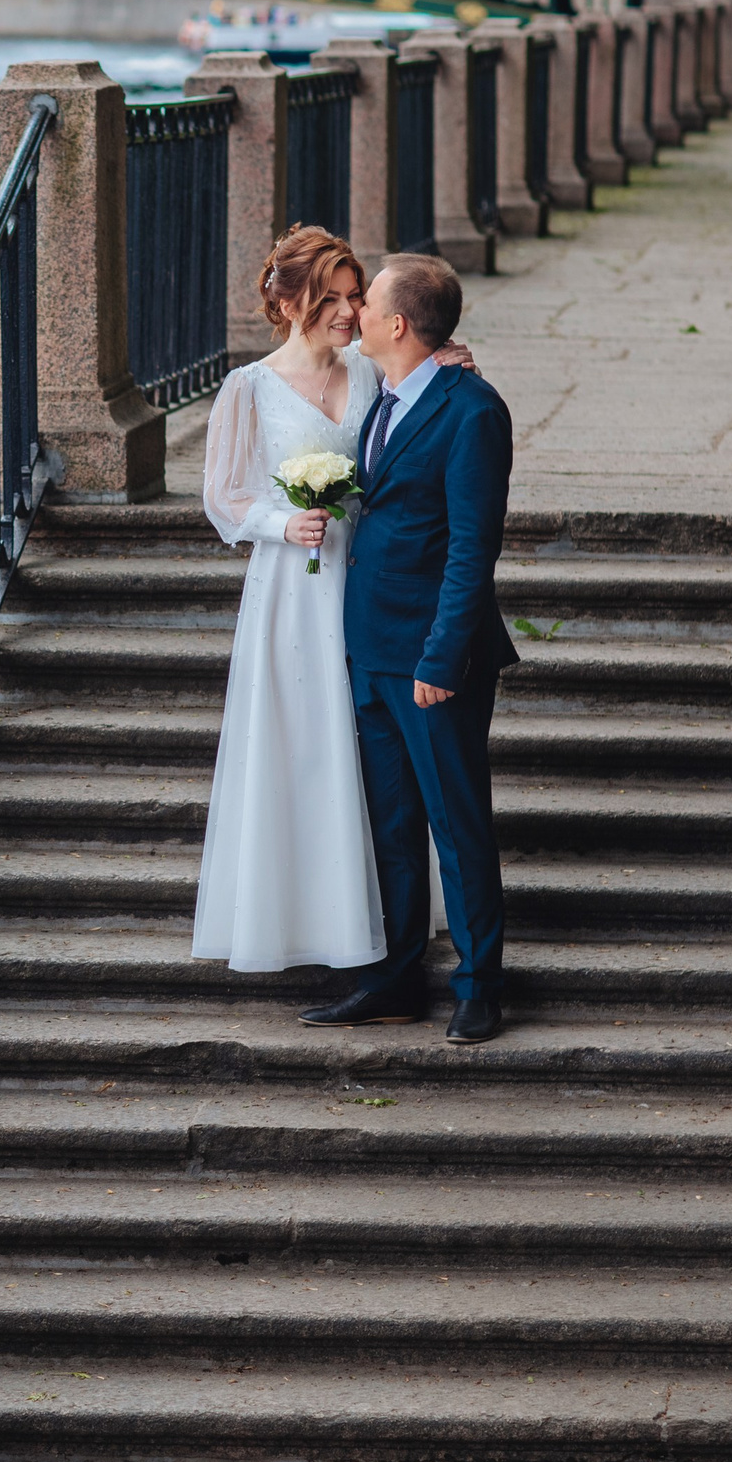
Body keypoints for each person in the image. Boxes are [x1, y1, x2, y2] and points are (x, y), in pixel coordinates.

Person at [190, 228, 479, 985]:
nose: (350, 312)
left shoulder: (372, 371)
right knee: (304, 749)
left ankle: (380, 929)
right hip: (294, 588)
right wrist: (279, 523)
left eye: (356, 297)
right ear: (289, 304)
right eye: (333, 299)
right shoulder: (248, 388)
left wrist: (447, 361)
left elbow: (418, 406)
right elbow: (223, 498)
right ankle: (305, 922)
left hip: (372, 584)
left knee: (373, 766)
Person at [299, 254, 518, 1044]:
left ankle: (480, 986)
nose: (354, 312)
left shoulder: (473, 411)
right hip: (369, 647)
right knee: (391, 826)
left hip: (433, 658)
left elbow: (472, 549)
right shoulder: (383, 394)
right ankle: (395, 979)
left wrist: (442, 657)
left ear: (396, 323)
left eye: (368, 303)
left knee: (457, 825)